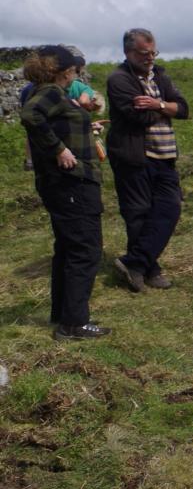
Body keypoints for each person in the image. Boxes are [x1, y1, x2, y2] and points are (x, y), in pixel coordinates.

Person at [19, 45, 110, 341]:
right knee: (86, 249)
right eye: (74, 71)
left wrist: (82, 128)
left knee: (68, 248)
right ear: (65, 70)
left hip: (62, 183)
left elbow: (47, 121)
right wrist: (60, 149)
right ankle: (74, 324)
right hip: (71, 183)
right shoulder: (51, 92)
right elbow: (31, 116)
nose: (76, 75)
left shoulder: (45, 92)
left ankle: (65, 314)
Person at [106, 28, 189, 293]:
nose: (150, 58)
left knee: (170, 208)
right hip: (133, 157)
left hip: (164, 156)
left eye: (153, 52)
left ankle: (134, 263)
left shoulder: (160, 75)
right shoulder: (118, 80)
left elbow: (184, 109)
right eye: (144, 53)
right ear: (128, 53)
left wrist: (157, 105)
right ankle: (148, 270)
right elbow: (137, 117)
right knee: (138, 213)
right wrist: (166, 106)